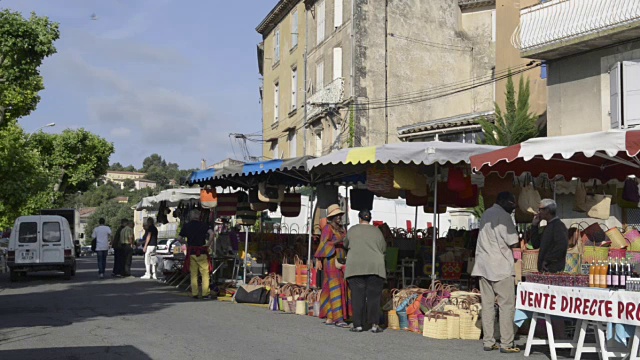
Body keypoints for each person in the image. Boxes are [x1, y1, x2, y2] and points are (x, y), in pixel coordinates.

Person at [471, 191, 520, 354]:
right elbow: (513, 241)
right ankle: (506, 343)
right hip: (500, 267)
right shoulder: (504, 216)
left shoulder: (486, 213)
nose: (513, 207)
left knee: (488, 305)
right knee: (506, 306)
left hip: (484, 266)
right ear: (504, 202)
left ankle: (488, 341)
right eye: (512, 203)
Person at [345, 210, 386, 333]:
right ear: (370, 218)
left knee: (358, 295)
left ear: (359, 218)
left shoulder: (352, 230)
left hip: (356, 267)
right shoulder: (377, 231)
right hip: (375, 267)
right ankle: (374, 324)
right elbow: (383, 248)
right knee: (374, 296)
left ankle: (358, 325)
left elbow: (346, 244)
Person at [314, 204, 351, 328]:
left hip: (341, 260)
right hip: (331, 261)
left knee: (335, 287)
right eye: (337, 216)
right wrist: (338, 241)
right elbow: (323, 245)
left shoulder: (341, 229)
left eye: (340, 215)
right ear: (332, 217)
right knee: (335, 287)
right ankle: (338, 318)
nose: (339, 217)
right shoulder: (327, 229)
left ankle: (330, 316)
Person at [178, 210, 214, 299]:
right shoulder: (204, 225)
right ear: (199, 216)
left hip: (191, 252)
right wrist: (208, 243)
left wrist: (185, 242)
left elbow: (179, 238)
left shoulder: (186, 226)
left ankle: (195, 293)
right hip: (202, 251)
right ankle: (205, 293)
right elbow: (212, 233)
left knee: (193, 274)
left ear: (190, 216)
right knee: (205, 273)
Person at [530, 199, 568, 273]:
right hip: (545, 270)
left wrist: (548, 260)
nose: (538, 212)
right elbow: (535, 244)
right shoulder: (548, 227)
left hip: (553, 270)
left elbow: (561, 246)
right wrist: (534, 226)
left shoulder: (558, 226)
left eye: (540, 210)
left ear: (547, 210)